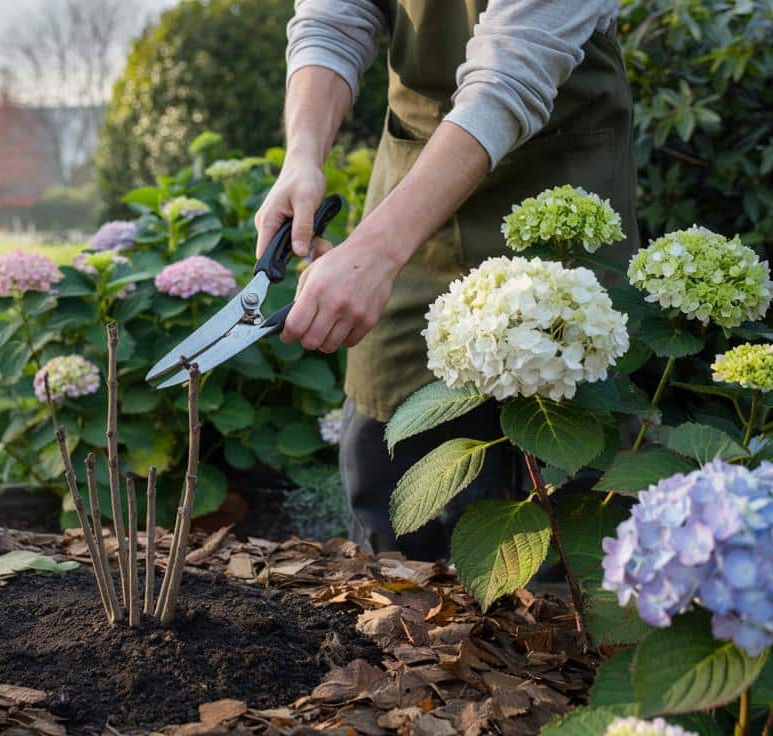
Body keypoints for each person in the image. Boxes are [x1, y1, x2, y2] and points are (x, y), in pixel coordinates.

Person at [256, 0, 640, 560]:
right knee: (388, 448)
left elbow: (510, 74)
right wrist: (303, 156)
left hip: (560, 192)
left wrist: (373, 250)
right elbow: (333, 18)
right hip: (411, 184)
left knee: (577, 461)